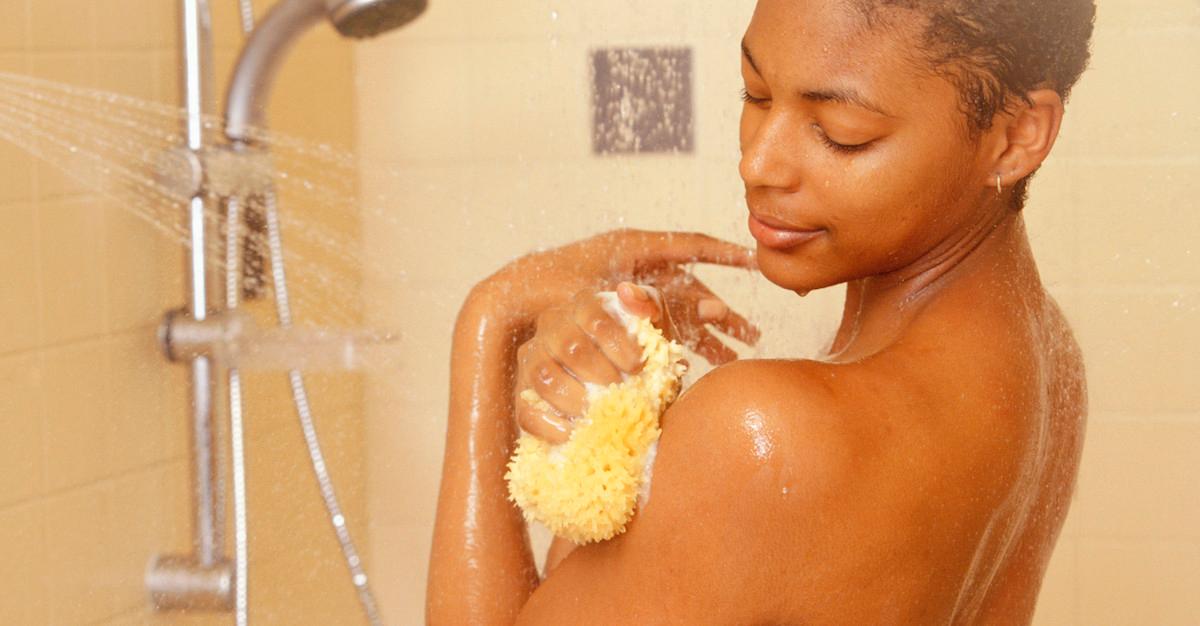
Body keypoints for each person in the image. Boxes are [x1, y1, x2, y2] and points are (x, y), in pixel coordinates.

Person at [428, 0, 1094, 623]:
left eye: (842, 134)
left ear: (1016, 136)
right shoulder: (1044, 361)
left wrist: (492, 319)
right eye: (755, 93)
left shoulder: (766, 436)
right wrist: (628, 424)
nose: (757, 162)